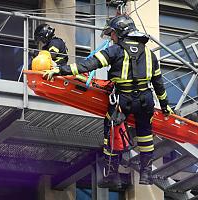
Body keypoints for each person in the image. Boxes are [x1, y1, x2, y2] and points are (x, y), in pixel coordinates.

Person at [43, 14, 173, 185]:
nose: (111, 37)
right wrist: (165, 106)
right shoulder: (150, 54)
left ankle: (112, 176)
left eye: (112, 33)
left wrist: (60, 71)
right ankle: (146, 175)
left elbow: (88, 65)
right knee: (145, 136)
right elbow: (158, 84)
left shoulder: (115, 50)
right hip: (145, 100)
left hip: (122, 100)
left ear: (120, 32)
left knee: (112, 134)